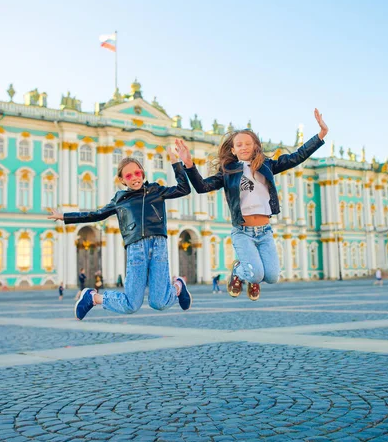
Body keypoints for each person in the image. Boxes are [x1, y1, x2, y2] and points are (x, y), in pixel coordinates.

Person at [176, 108, 328, 301]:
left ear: (256, 146)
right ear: (233, 150)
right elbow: (202, 187)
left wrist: (320, 135)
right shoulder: (228, 172)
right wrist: (189, 165)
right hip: (242, 231)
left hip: (265, 231)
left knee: (272, 277)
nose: (244, 147)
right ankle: (240, 271)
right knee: (256, 273)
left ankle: (250, 274)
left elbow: (296, 157)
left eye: (248, 143)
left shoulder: (268, 166)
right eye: (239, 144)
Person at [48, 149, 192, 320]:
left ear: (143, 173)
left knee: (159, 302)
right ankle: (93, 298)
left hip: (159, 246)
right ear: (122, 180)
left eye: (137, 173)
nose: (135, 178)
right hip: (136, 249)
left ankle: (178, 287)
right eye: (129, 176)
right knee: (130, 305)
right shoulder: (120, 199)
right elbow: (96, 214)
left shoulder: (155, 190)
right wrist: (65, 216)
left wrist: (176, 163)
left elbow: (184, 189)